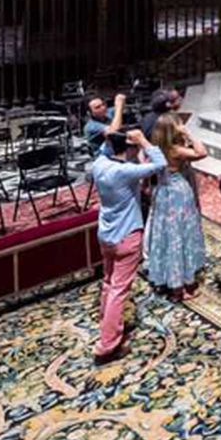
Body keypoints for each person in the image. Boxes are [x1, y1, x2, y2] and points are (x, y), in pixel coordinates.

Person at [89, 127, 167, 363]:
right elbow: (160, 163)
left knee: (108, 282)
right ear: (130, 148)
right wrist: (144, 140)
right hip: (127, 234)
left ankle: (106, 323)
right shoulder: (125, 172)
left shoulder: (99, 163)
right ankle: (108, 343)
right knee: (119, 290)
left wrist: (117, 135)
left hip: (106, 234)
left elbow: (107, 142)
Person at [144, 114, 209, 301]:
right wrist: (188, 133)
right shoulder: (175, 150)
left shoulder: (154, 148)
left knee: (166, 234)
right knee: (181, 235)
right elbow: (201, 152)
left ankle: (168, 279)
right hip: (178, 193)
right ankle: (182, 286)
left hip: (161, 192)